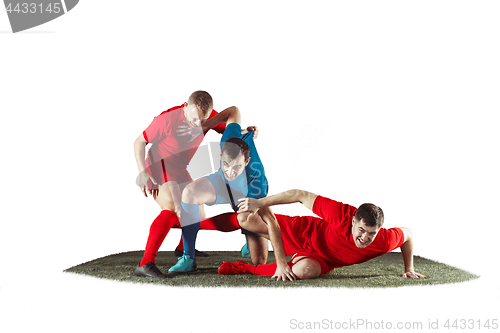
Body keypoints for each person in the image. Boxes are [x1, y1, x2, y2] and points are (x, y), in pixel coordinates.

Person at [133, 91, 257, 278]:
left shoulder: (205, 118)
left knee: (196, 211)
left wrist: (247, 133)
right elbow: (139, 141)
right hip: (159, 167)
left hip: (180, 169)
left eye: (201, 121)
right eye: (193, 120)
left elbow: (228, 128)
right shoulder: (166, 120)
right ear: (185, 106)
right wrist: (142, 172)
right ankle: (145, 263)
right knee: (173, 208)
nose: (196, 125)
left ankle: (183, 249)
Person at [167, 106, 282, 274]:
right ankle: (188, 258)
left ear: (247, 161)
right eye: (226, 164)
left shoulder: (256, 181)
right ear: (221, 154)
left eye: (236, 167)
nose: (230, 172)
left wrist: (254, 229)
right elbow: (234, 111)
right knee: (189, 193)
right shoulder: (228, 140)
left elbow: (256, 217)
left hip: (244, 194)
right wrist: (202, 128)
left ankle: (250, 240)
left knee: (257, 256)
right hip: (221, 184)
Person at [217, 189, 425, 280]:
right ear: (354, 221)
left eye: (371, 233)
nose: (365, 237)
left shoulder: (383, 240)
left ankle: (245, 267)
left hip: (320, 259)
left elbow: (408, 234)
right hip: (304, 233)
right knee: (245, 218)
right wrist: (261, 203)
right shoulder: (340, 214)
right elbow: (300, 194)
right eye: (361, 230)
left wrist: (409, 268)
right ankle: (189, 225)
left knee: (304, 271)